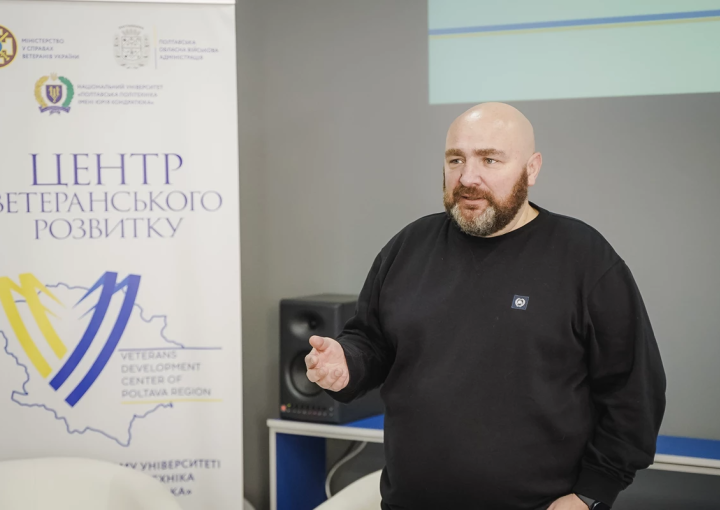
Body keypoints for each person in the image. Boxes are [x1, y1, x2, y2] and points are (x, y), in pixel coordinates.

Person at [304, 103, 666, 510]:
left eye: (489, 160)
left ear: (531, 169)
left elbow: (633, 389)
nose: (467, 178)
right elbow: (371, 341)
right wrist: (347, 361)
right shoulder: (408, 246)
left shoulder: (584, 257)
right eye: (455, 160)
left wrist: (591, 493)